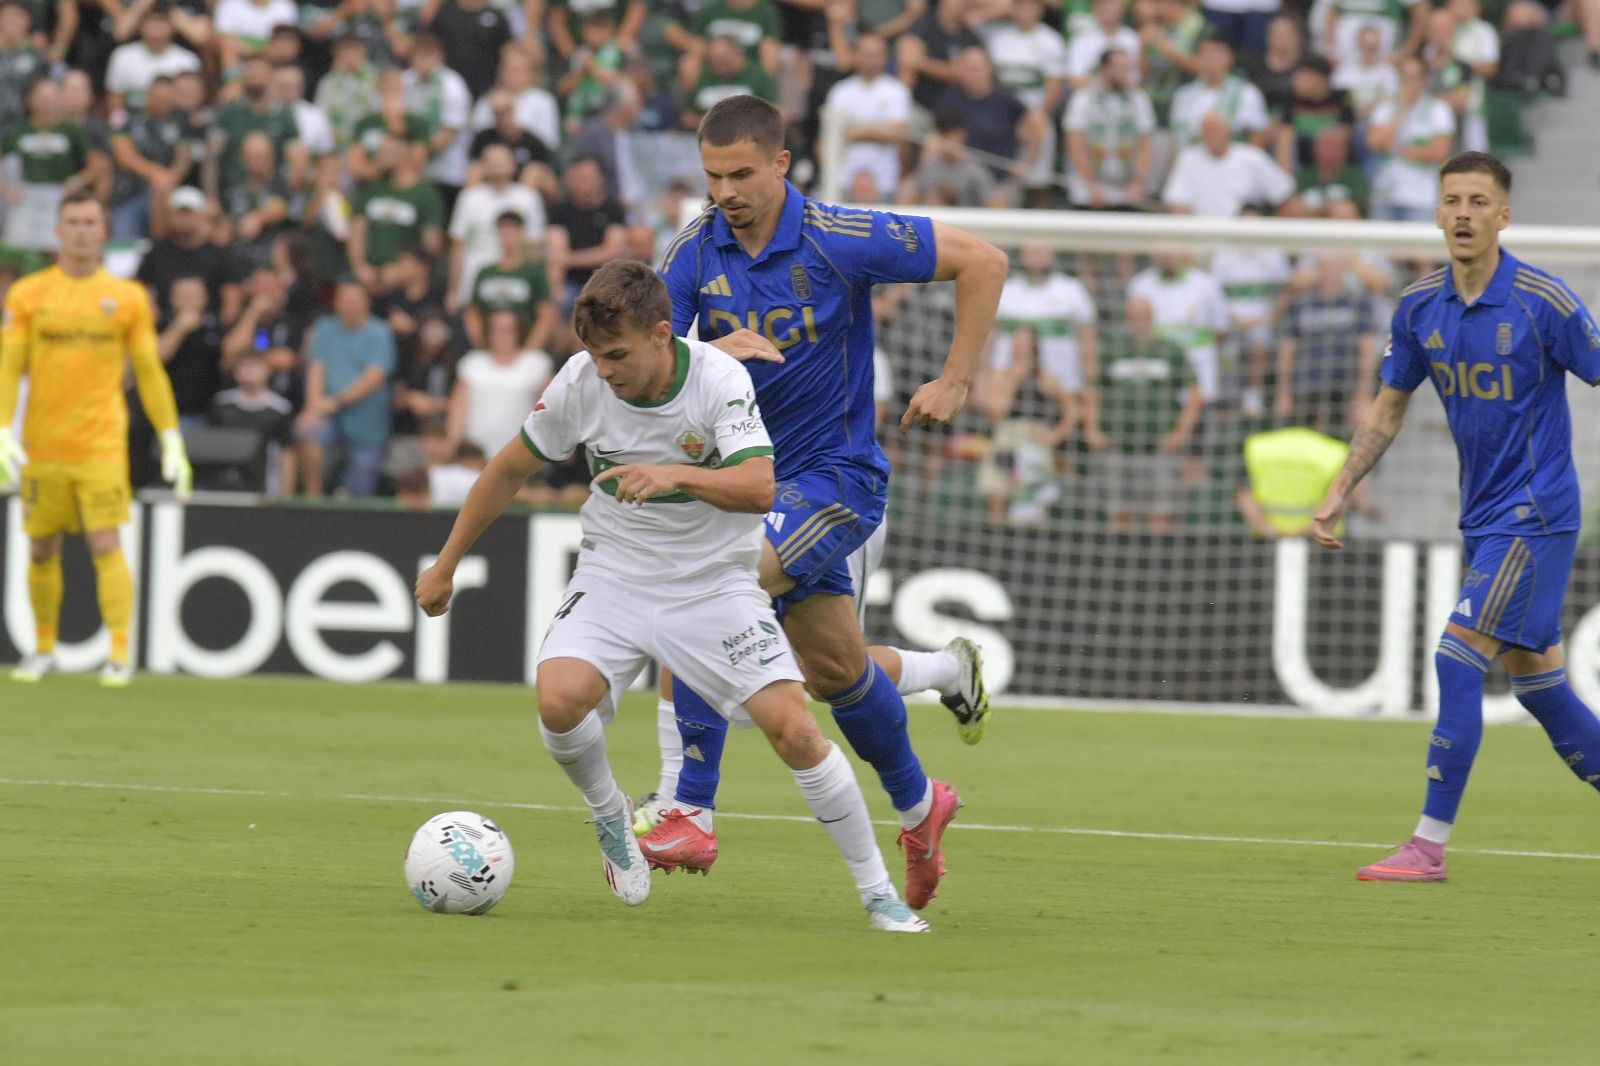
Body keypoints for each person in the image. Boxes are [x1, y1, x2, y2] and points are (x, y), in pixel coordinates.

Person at [414, 261, 929, 932]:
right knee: (558, 700)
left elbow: (760, 488)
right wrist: (447, 564)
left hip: (713, 581)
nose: (605, 371)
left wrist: (673, 475)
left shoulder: (719, 380)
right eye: (596, 356)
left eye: (618, 355)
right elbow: (510, 467)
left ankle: (878, 893)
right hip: (614, 574)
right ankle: (610, 815)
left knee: (795, 728)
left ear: (663, 335)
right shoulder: (580, 381)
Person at [649, 94, 1005, 909]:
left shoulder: (840, 237)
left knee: (713, 589)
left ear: (781, 164)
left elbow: (983, 260)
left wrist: (955, 380)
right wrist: (704, 352)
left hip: (832, 478)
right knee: (834, 672)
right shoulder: (692, 253)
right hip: (746, 486)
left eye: (741, 173)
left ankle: (688, 808)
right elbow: (644, 357)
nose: (726, 190)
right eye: (712, 176)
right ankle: (921, 809)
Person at [1311, 152, 1600, 882]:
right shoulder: (1418, 307)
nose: (1463, 212)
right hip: (1484, 520)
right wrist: (1341, 485)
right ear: (1437, 214)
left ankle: (1427, 845)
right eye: (1452, 200)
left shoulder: (1544, 300)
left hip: (1536, 514)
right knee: (1542, 690)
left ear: (1504, 215)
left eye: (1478, 200)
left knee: (1455, 652)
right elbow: (1388, 409)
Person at [0, 190, 193, 687]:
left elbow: (149, 372)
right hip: (41, 445)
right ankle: (42, 649)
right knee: (41, 548)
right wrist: (2, 429)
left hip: (102, 444)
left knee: (106, 543)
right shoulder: (28, 293)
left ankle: (119, 652)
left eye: (90, 221)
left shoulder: (127, 298)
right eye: (73, 221)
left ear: (103, 231)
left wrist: (171, 435)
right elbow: (9, 367)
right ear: (58, 230)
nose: (82, 230)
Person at [296, 278, 396, 498]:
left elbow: (374, 378)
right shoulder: (324, 328)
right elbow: (316, 368)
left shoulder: (380, 333)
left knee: (357, 491)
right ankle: (313, 500)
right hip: (329, 417)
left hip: (368, 425)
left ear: (367, 302)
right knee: (308, 432)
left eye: (354, 299)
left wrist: (334, 402)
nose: (348, 304)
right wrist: (313, 408)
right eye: (343, 299)